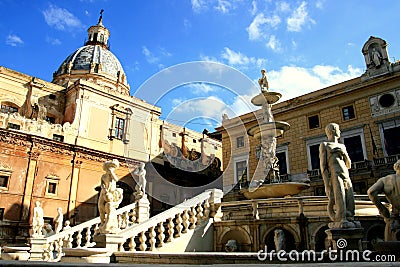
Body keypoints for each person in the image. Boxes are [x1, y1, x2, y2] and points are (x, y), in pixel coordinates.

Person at [319, 123, 359, 228]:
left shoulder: (342, 146)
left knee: (350, 199)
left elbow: (348, 165)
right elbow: (323, 167)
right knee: (339, 198)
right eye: (338, 129)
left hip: (346, 174)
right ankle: (341, 219)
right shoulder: (325, 145)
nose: (340, 131)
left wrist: (344, 153)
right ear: (332, 131)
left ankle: (351, 217)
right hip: (335, 175)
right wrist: (327, 185)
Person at [368, 159, 400, 241]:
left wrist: (383, 210)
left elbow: (371, 192)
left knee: (391, 250)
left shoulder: (385, 180)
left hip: (394, 221)